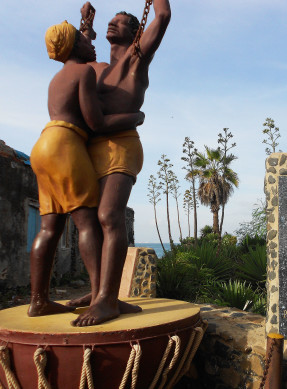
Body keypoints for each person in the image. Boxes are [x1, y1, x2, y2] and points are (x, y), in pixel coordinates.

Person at [28, 21, 144, 317]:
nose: (89, 40)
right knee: (88, 222)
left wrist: (86, 28)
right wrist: (135, 116)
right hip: (66, 145)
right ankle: (103, 300)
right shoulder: (84, 73)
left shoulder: (57, 78)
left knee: (49, 227)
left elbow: (77, 47)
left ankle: (38, 301)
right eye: (83, 38)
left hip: (42, 146)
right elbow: (97, 123)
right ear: (74, 46)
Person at [69, 1, 171, 327]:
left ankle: (106, 301)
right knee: (88, 221)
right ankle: (100, 291)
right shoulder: (97, 69)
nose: (112, 26)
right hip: (92, 150)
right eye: (110, 22)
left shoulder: (135, 59)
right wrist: (86, 24)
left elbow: (163, 16)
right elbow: (75, 57)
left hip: (122, 148)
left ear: (135, 32)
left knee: (109, 215)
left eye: (120, 23)